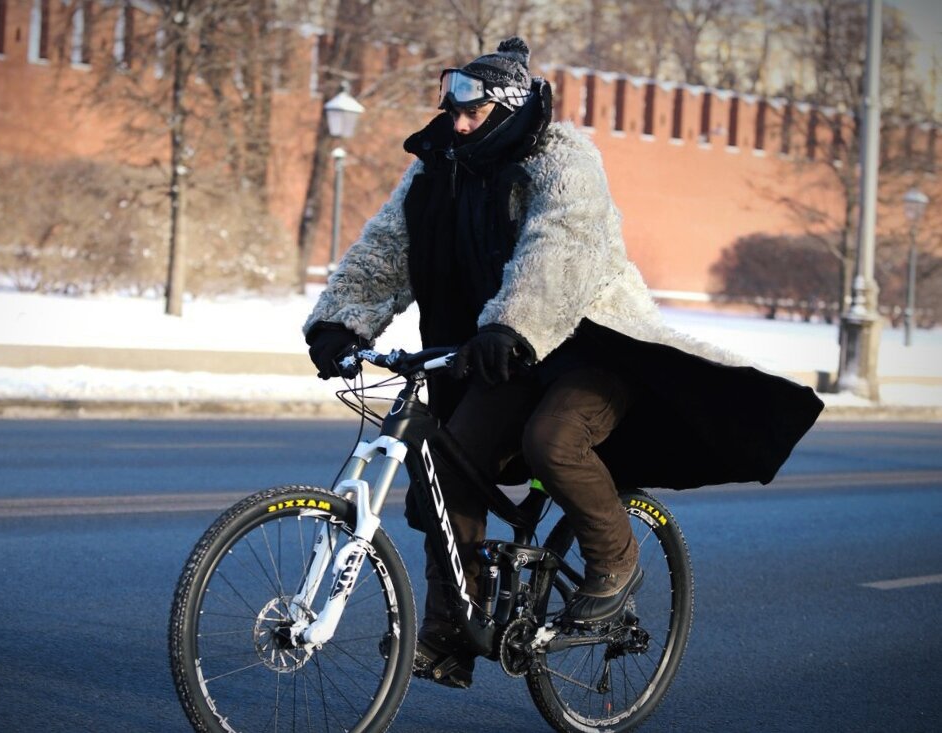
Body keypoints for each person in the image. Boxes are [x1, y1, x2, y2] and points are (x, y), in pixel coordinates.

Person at [303, 37, 823, 689]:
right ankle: (448, 635)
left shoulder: (560, 156)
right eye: (452, 110)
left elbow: (561, 246)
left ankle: (614, 558)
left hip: (590, 346)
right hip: (502, 355)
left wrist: (513, 323)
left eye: (473, 113)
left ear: (509, 111)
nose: (457, 123)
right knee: (448, 469)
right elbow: (385, 249)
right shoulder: (439, 164)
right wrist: (338, 320)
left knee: (552, 437)